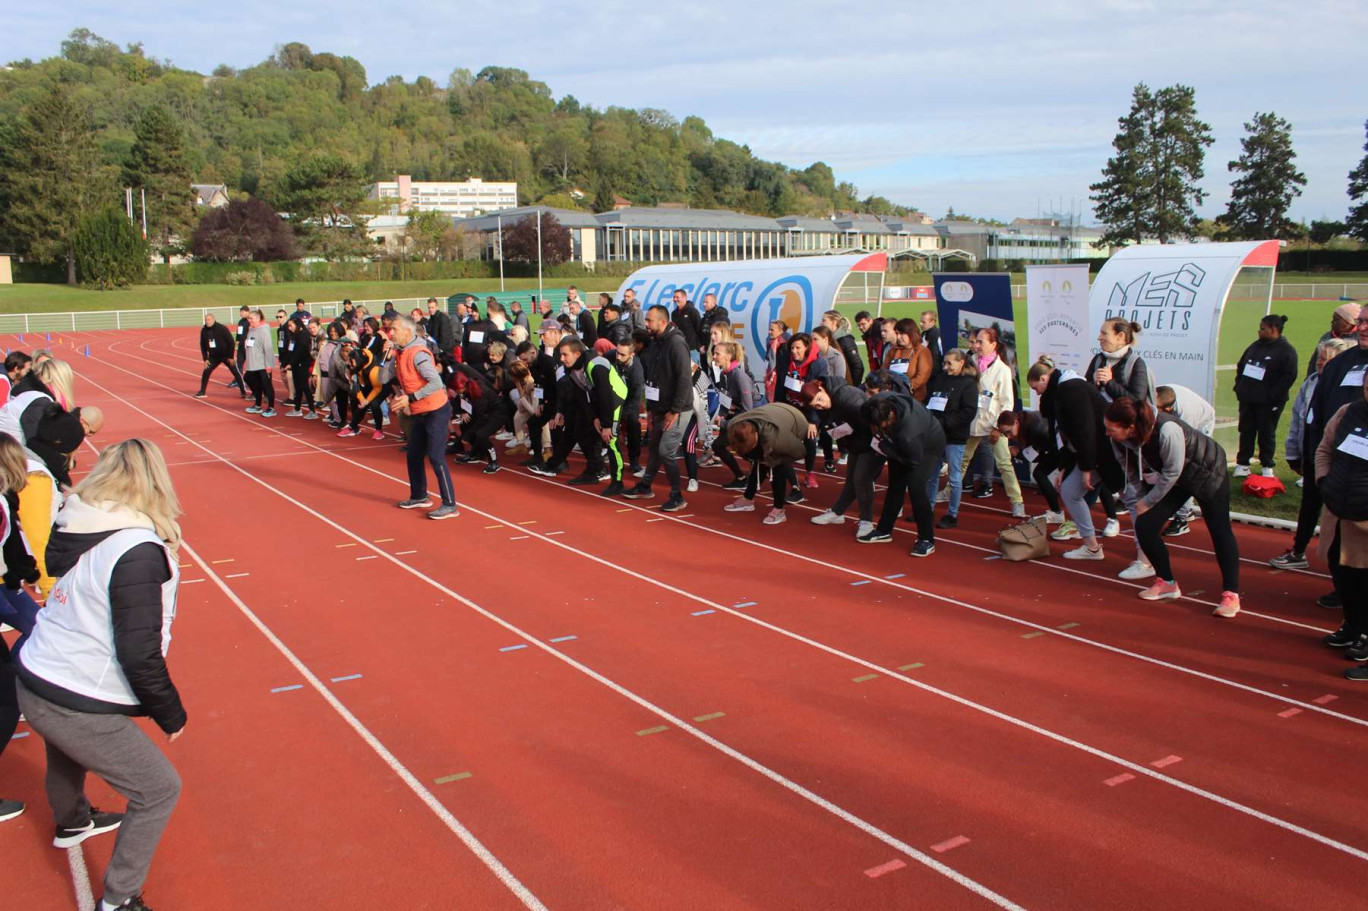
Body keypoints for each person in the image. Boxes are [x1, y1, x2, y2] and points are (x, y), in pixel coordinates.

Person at [16, 440, 186, 911]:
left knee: (64, 747)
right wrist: (170, 713)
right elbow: (138, 650)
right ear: (155, 481)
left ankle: (71, 820)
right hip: (69, 689)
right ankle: (119, 898)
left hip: (36, 671)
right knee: (158, 789)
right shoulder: (136, 548)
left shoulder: (79, 521)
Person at [1103, 397, 1240, 615]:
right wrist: (1139, 499)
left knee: (1219, 530)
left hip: (1208, 471)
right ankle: (1167, 582)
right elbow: (1130, 470)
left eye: (1111, 429)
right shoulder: (1119, 440)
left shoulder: (1167, 430)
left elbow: (1172, 472)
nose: (1107, 433)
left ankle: (1231, 595)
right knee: (1145, 526)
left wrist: (1148, 502)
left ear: (1130, 427)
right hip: (1178, 478)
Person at [1028, 357, 1127, 564]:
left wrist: (1087, 467)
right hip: (1094, 455)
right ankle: (1092, 547)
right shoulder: (1061, 393)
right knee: (1070, 492)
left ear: (1045, 379)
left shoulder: (1072, 389)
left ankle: (1147, 560)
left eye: (1036, 387)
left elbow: (1085, 431)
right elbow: (1066, 436)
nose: (1036, 393)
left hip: (1109, 454)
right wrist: (1064, 467)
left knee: (1136, 503)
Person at [1271, 339, 1356, 569]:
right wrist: (1293, 453)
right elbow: (1298, 420)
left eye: (1326, 359)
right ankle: (1298, 551)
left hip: (1337, 462)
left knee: (1338, 514)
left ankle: (1343, 565)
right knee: (1309, 505)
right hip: (1311, 456)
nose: (1320, 363)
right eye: (1319, 357)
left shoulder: (1349, 391)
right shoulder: (1310, 383)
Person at [1307, 306, 1368, 610]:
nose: (1363, 327)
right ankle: (1350, 613)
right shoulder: (1340, 364)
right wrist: (1323, 476)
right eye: (1362, 321)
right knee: (1336, 553)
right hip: (1339, 482)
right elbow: (1320, 419)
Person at [1314, 365, 1368, 678]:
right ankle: (1352, 625)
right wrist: (1325, 481)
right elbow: (1324, 449)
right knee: (1340, 570)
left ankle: (1364, 634)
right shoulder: (1347, 413)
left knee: (1363, 579)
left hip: (1364, 521)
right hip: (1337, 510)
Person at [623, 305, 693, 512]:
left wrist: (675, 410)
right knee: (654, 447)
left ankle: (677, 495)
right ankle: (645, 485)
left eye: (650, 320)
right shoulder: (656, 343)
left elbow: (684, 379)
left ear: (663, 322)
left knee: (666, 451)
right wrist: (653, 408)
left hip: (676, 409)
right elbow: (654, 375)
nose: (646, 324)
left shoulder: (676, 344)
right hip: (660, 407)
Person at [387, 316, 458, 519]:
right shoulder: (400, 353)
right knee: (414, 454)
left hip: (436, 409)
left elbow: (436, 382)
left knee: (436, 457)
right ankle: (419, 495)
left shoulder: (418, 354)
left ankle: (450, 504)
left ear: (407, 332)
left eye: (394, 330)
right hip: (420, 410)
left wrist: (410, 398)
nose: (391, 333)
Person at [859, 392, 946, 556]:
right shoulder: (880, 402)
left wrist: (886, 448)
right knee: (895, 485)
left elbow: (912, 460)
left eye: (878, 425)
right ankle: (884, 530)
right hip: (898, 441)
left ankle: (927, 539)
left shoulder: (909, 433)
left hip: (928, 446)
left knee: (916, 488)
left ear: (888, 418)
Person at [802, 376, 879, 536]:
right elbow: (835, 429)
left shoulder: (849, 397)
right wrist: (846, 444)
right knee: (851, 479)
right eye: (815, 405)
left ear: (822, 388)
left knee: (861, 479)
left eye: (820, 399)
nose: (820, 405)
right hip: (855, 443)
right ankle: (837, 512)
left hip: (872, 441)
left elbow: (869, 425)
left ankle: (867, 521)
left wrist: (874, 447)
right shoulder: (823, 408)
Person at [960, 327, 1025, 516]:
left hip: (993, 424)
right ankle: (949, 491)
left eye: (981, 342)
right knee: (962, 460)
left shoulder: (1002, 370)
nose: (976, 346)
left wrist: (999, 428)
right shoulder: (971, 364)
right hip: (974, 423)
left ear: (993, 344)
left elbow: (1007, 402)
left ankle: (1017, 501)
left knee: (1004, 464)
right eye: (976, 342)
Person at [720, 403, 809, 525]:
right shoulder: (734, 426)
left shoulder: (775, 439)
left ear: (756, 436)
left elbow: (798, 452)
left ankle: (779, 509)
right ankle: (747, 499)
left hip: (795, 421)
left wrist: (767, 458)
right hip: (773, 413)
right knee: (760, 460)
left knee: (777, 466)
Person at [1232, 314, 1298, 478]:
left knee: (1266, 433)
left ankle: (1267, 466)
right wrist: (1239, 387)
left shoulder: (1286, 351)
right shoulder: (1254, 346)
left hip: (1269, 403)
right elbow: (1241, 366)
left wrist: (1272, 396)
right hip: (1248, 399)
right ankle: (1243, 464)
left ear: (1274, 330)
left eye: (1263, 329)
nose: (1259, 331)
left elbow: (1289, 376)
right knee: (1246, 431)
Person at [924, 349, 979, 528]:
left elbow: (969, 412)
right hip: (936, 433)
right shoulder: (940, 378)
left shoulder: (969, 384)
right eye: (945, 363)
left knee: (954, 478)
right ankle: (928, 510)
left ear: (961, 362)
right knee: (931, 474)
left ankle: (952, 514)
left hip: (955, 436)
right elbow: (930, 400)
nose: (946, 367)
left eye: (950, 363)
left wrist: (945, 422)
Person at [1154, 383, 1217, 537]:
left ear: (1168, 410)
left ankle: (1182, 518)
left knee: (1187, 468)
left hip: (1202, 424)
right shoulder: (1158, 393)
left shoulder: (1187, 414)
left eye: (1158, 411)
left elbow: (1183, 446)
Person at [997, 409, 1065, 524]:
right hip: (1057, 444)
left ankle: (1059, 513)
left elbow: (1038, 456)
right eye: (1005, 434)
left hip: (1062, 447)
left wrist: (1019, 454)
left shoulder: (1034, 429)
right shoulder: (1026, 420)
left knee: (1041, 474)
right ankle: (1058, 512)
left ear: (1016, 422)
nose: (1008, 437)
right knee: (1040, 473)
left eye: (1009, 432)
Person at [586, 339, 629, 496]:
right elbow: (594, 394)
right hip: (610, 401)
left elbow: (605, 396)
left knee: (612, 441)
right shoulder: (588, 366)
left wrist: (607, 425)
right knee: (608, 441)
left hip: (615, 400)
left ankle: (617, 482)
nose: (562, 359)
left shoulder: (596, 367)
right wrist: (596, 416)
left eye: (565, 355)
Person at [1087, 317, 1155, 405]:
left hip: (1122, 418)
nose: (1099, 338)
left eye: (1104, 333)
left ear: (1120, 336)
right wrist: (1094, 382)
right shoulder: (1098, 359)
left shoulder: (1135, 363)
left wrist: (1109, 383)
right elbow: (1084, 394)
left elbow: (1138, 402)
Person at [195, 313, 245, 399]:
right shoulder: (204, 330)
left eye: (209, 319)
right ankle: (202, 391)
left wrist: (231, 357)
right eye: (206, 320)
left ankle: (243, 392)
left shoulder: (222, 328)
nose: (207, 321)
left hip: (226, 355)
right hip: (213, 356)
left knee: (236, 372)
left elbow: (231, 342)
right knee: (206, 371)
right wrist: (205, 358)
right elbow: (202, 345)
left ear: (213, 319)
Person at [1307, 302, 1361, 377]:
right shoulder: (1326, 337)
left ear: (1349, 322)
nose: (1332, 322)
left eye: (1336, 319)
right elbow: (1314, 362)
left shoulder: (1360, 339)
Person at [240, 310, 277, 417]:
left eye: (251, 318)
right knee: (249, 380)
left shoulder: (264, 330)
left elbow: (268, 348)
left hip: (262, 364)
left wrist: (269, 365)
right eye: (248, 318)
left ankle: (271, 408)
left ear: (257, 318)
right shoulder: (250, 330)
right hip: (252, 363)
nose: (249, 320)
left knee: (267, 386)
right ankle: (257, 405)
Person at [822, 310, 865, 387]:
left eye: (824, 320)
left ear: (834, 322)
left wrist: (852, 387)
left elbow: (858, 366)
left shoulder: (845, 340)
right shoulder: (833, 340)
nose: (821, 323)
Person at [669, 290, 702, 363]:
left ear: (684, 298)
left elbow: (699, 328)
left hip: (692, 349)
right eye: (674, 297)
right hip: (679, 348)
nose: (675, 299)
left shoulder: (692, 311)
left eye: (677, 297)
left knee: (695, 373)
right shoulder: (674, 314)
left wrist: (698, 346)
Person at [919, 310, 943, 376]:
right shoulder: (923, 334)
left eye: (923, 322)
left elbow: (938, 356)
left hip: (934, 375)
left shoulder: (937, 336)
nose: (920, 324)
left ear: (932, 322)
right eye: (920, 321)